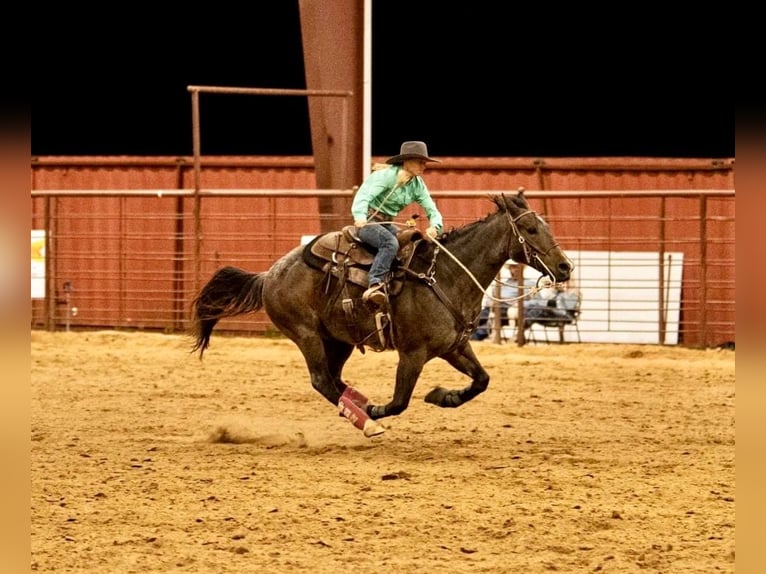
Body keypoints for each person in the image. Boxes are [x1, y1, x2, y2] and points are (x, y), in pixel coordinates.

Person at [351, 141, 444, 307]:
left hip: (385, 223)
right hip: (368, 221)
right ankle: (375, 283)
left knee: (409, 242)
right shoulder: (386, 176)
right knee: (390, 243)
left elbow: (432, 209)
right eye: (420, 162)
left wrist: (435, 226)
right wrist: (359, 215)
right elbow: (363, 195)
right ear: (407, 161)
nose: (424, 166)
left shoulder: (417, 185)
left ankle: (397, 280)